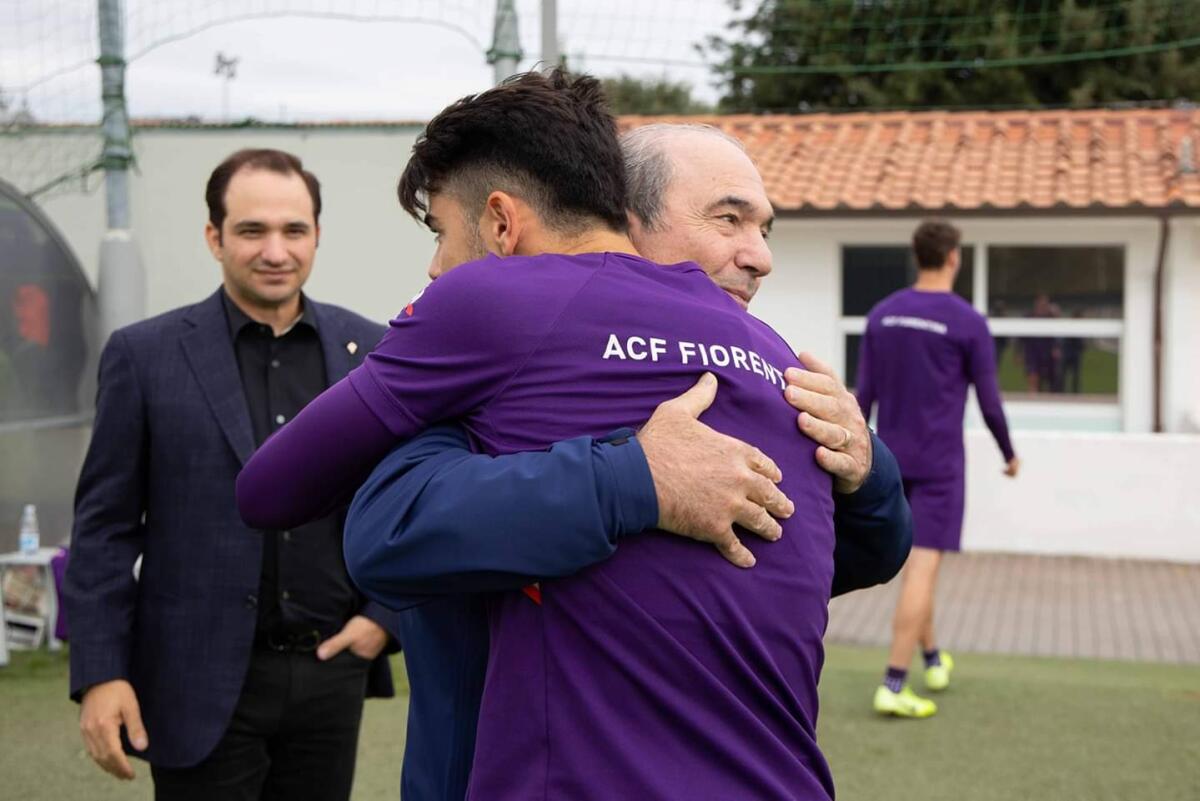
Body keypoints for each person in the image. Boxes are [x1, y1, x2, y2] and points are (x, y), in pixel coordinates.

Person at [238, 69, 852, 800]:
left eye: (442, 232)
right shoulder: (772, 349)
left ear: (501, 222)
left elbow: (269, 490)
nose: (435, 265)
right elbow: (860, 545)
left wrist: (441, 407)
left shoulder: (486, 300)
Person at [62, 148, 401, 800]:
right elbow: (104, 528)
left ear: (317, 235)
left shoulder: (374, 353)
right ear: (214, 237)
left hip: (331, 675)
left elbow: (404, 498)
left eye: (293, 230)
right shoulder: (144, 356)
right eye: (252, 230)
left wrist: (385, 617)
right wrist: (101, 672)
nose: (275, 251)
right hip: (194, 679)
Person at [856, 219, 1020, 719]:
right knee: (922, 571)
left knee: (916, 571)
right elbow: (989, 402)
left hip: (887, 463)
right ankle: (894, 682)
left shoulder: (883, 315)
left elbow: (863, 397)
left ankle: (931, 658)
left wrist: (851, 460)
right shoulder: (967, 321)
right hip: (940, 468)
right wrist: (1009, 453)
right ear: (953, 257)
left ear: (917, 255)